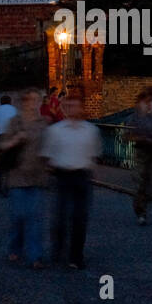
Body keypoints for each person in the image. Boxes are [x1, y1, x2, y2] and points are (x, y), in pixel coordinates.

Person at [40, 92, 102, 269]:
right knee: (60, 217)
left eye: (75, 105)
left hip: (82, 176)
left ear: (81, 108)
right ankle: (58, 249)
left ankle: (76, 256)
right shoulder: (55, 131)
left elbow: (94, 155)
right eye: (68, 106)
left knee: (80, 218)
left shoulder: (91, 131)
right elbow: (47, 156)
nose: (71, 109)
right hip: (61, 175)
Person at [0, 89, 49, 268]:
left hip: (37, 176)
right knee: (19, 215)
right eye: (29, 100)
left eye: (37, 100)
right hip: (17, 176)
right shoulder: (15, 122)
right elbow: (2, 145)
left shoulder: (44, 124)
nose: (33, 103)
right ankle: (15, 246)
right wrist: (15, 140)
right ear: (23, 102)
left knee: (34, 217)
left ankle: (35, 256)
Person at [125, 87, 152, 225]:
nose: (150, 104)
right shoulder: (133, 118)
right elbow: (127, 136)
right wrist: (141, 138)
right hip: (141, 153)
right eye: (148, 101)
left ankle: (146, 202)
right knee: (140, 184)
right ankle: (140, 211)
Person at [0, 94, 19, 195]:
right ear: (10, 102)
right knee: (11, 160)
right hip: (11, 136)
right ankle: (8, 182)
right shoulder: (15, 110)